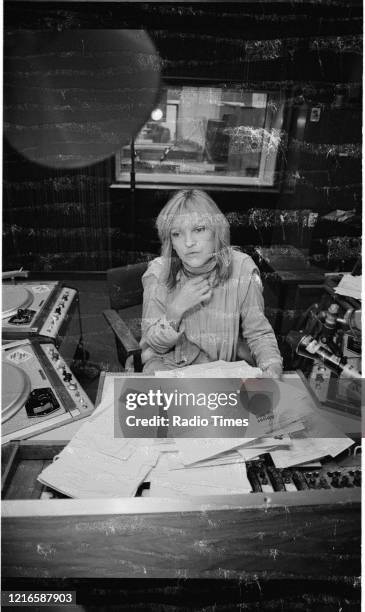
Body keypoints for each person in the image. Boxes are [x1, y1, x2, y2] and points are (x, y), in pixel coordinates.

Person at [140, 189, 283, 377]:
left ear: (217, 231)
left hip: (220, 372)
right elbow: (151, 347)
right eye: (177, 234)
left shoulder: (242, 268)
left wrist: (272, 367)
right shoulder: (158, 273)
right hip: (170, 370)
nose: (188, 243)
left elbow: (259, 334)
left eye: (199, 230)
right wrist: (176, 310)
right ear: (170, 241)